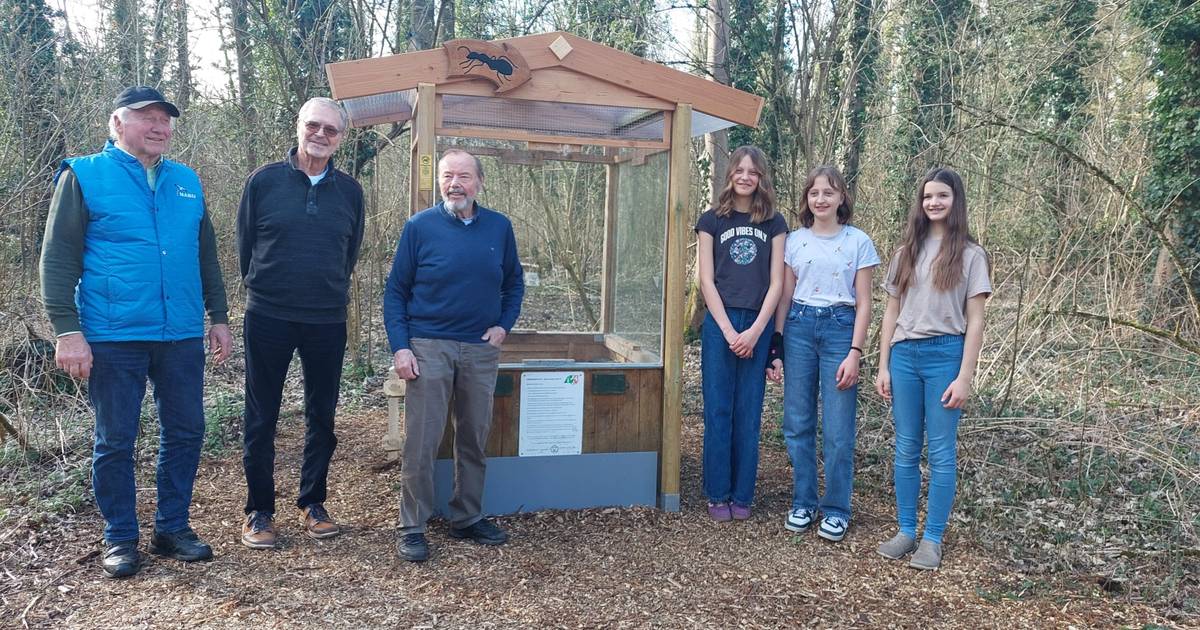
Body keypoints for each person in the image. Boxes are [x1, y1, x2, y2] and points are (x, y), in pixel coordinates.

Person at [39, 86, 232, 578]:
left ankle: (172, 528)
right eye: (147, 117)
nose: (159, 126)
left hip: (181, 333)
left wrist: (219, 317)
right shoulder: (84, 175)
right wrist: (67, 330)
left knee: (187, 430)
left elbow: (204, 254)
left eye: (165, 119)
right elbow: (58, 257)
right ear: (117, 123)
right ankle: (120, 537)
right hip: (113, 333)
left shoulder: (187, 181)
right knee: (116, 439)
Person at [236, 97, 365, 549]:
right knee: (261, 415)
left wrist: (324, 289)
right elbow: (245, 248)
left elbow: (348, 254)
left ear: (341, 138)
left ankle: (313, 502)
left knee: (322, 415)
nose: (321, 135)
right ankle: (260, 510)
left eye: (331, 130)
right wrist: (267, 288)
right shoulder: (264, 182)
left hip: (326, 318)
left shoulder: (350, 191)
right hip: (268, 313)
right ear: (298, 126)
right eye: (314, 126)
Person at [384, 149, 524, 562]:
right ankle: (412, 525)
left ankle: (466, 517)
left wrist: (504, 324)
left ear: (479, 182)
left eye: (464, 176)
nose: (455, 183)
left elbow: (514, 283)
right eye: (448, 176)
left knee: (474, 436)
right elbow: (395, 292)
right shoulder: (420, 227)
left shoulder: (499, 227)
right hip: (428, 345)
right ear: (440, 181)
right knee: (422, 441)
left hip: (480, 347)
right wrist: (401, 346)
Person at [874, 167, 991, 570]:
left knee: (941, 452)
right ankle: (906, 530)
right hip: (904, 355)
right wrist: (883, 363)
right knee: (906, 447)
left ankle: (932, 538)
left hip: (946, 356)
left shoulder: (972, 256)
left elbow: (975, 321)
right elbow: (891, 311)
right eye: (927, 197)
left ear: (955, 201)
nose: (934, 202)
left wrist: (964, 376)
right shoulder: (904, 253)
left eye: (942, 196)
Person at [767, 166, 878, 542]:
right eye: (814, 193)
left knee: (837, 427)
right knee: (797, 421)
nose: (821, 199)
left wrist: (855, 352)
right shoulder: (795, 241)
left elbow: (864, 303)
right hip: (799, 326)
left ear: (842, 197)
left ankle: (836, 508)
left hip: (839, 329)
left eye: (829, 192)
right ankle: (803, 501)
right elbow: (784, 295)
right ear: (806, 199)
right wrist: (777, 345)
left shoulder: (858, 241)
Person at [695, 146, 788, 522]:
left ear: (761, 177)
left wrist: (755, 332)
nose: (746, 177)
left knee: (749, 412)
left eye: (753, 171)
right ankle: (718, 493)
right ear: (730, 174)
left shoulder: (775, 223)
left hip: (757, 323)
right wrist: (728, 328)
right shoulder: (711, 221)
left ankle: (743, 494)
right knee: (718, 409)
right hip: (720, 324)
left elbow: (777, 283)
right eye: (740, 170)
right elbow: (705, 278)